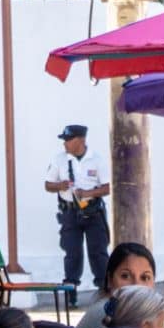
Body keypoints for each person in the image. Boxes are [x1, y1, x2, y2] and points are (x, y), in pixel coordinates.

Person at [45, 123, 110, 304]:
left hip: (93, 211)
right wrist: (60, 185)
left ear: (81, 140)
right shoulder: (59, 160)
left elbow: (107, 187)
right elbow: (48, 185)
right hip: (69, 212)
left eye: (68, 140)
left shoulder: (97, 159)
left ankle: (105, 290)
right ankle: (71, 290)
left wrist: (88, 193)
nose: (65, 144)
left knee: (98, 251)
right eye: (64, 140)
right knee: (72, 251)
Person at [71, 241, 156, 328]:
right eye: (125, 276)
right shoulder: (107, 313)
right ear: (110, 280)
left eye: (145, 278)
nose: (136, 285)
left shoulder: (147, 313)